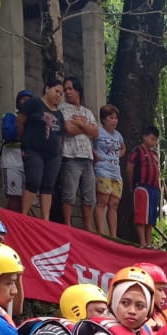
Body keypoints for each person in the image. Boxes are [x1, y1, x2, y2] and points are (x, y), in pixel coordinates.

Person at [18, 81, 65, 220]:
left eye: (61, 94)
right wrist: (25, 142)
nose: (59, 95)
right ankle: (24, 215)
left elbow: (61, 135)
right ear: (47, 88)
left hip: (53, 154)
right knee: (33, 181)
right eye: (57, 91)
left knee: (48, 186)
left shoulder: (60, 114)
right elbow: (20, 122)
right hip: (34, 150)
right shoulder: (34, 104)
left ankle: (45, 218)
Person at [58, 78, 98, 228]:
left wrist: (80, 124)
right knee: (69, 193)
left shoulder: (87, 111)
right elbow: (69, 129)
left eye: (70, 89)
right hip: (70, 156)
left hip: (87, 157)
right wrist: (85, 126)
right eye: (65, 89)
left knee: (89, 196)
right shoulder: (62, 108)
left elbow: (95, 132)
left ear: (78, 90)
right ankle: (68, 224)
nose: (67, 92)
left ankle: (88, 227)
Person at [92, 104, 125, 238]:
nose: (114, 121)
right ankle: (100, 232)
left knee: (114, 203)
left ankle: (113, 235)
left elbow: (123, 147)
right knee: (103, 201)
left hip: (116, 172)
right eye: (111, 118)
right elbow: (89, 144)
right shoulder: (98, 131)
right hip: (102, 170)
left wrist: (118, 155)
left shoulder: (118, 135)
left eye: (116, 118)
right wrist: (95, 155)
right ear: (104, 119)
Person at [126, 125, 162, 247]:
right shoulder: (137, 151)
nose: (154, 142)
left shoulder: (154, 155)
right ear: (144, 137)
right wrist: (131, 185)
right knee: (141, 215)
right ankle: (142, 242)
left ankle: (149, 242)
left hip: (154, 188)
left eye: (155, 139)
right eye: (152, 138)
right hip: (142, 187)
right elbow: (130, 167)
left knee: (151, 217)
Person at [0, 90, 32, 211]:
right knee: (14, 196)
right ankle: (13, 224)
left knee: (27, 197)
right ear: (18, 102)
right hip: (12, 160)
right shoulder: (10, 116)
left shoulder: (35, 121)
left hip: (29, 162)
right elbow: (8, 134)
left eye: (29, 100)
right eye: (23, 99)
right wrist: (22, 124)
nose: (26, 102)